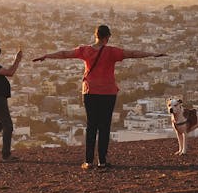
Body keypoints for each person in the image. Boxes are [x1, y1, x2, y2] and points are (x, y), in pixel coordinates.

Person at [33, 25, 166, 170]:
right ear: (107, 37)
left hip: (90, 91)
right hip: (108, 92)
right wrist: (153, 54)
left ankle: (88, 161)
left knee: (91, 125)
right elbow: (132, 53)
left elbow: (65, 54)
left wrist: (47, 56)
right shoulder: (111, 51)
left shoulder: (85, 50)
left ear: (96, 35)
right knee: (104, 127)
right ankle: (102, 161)